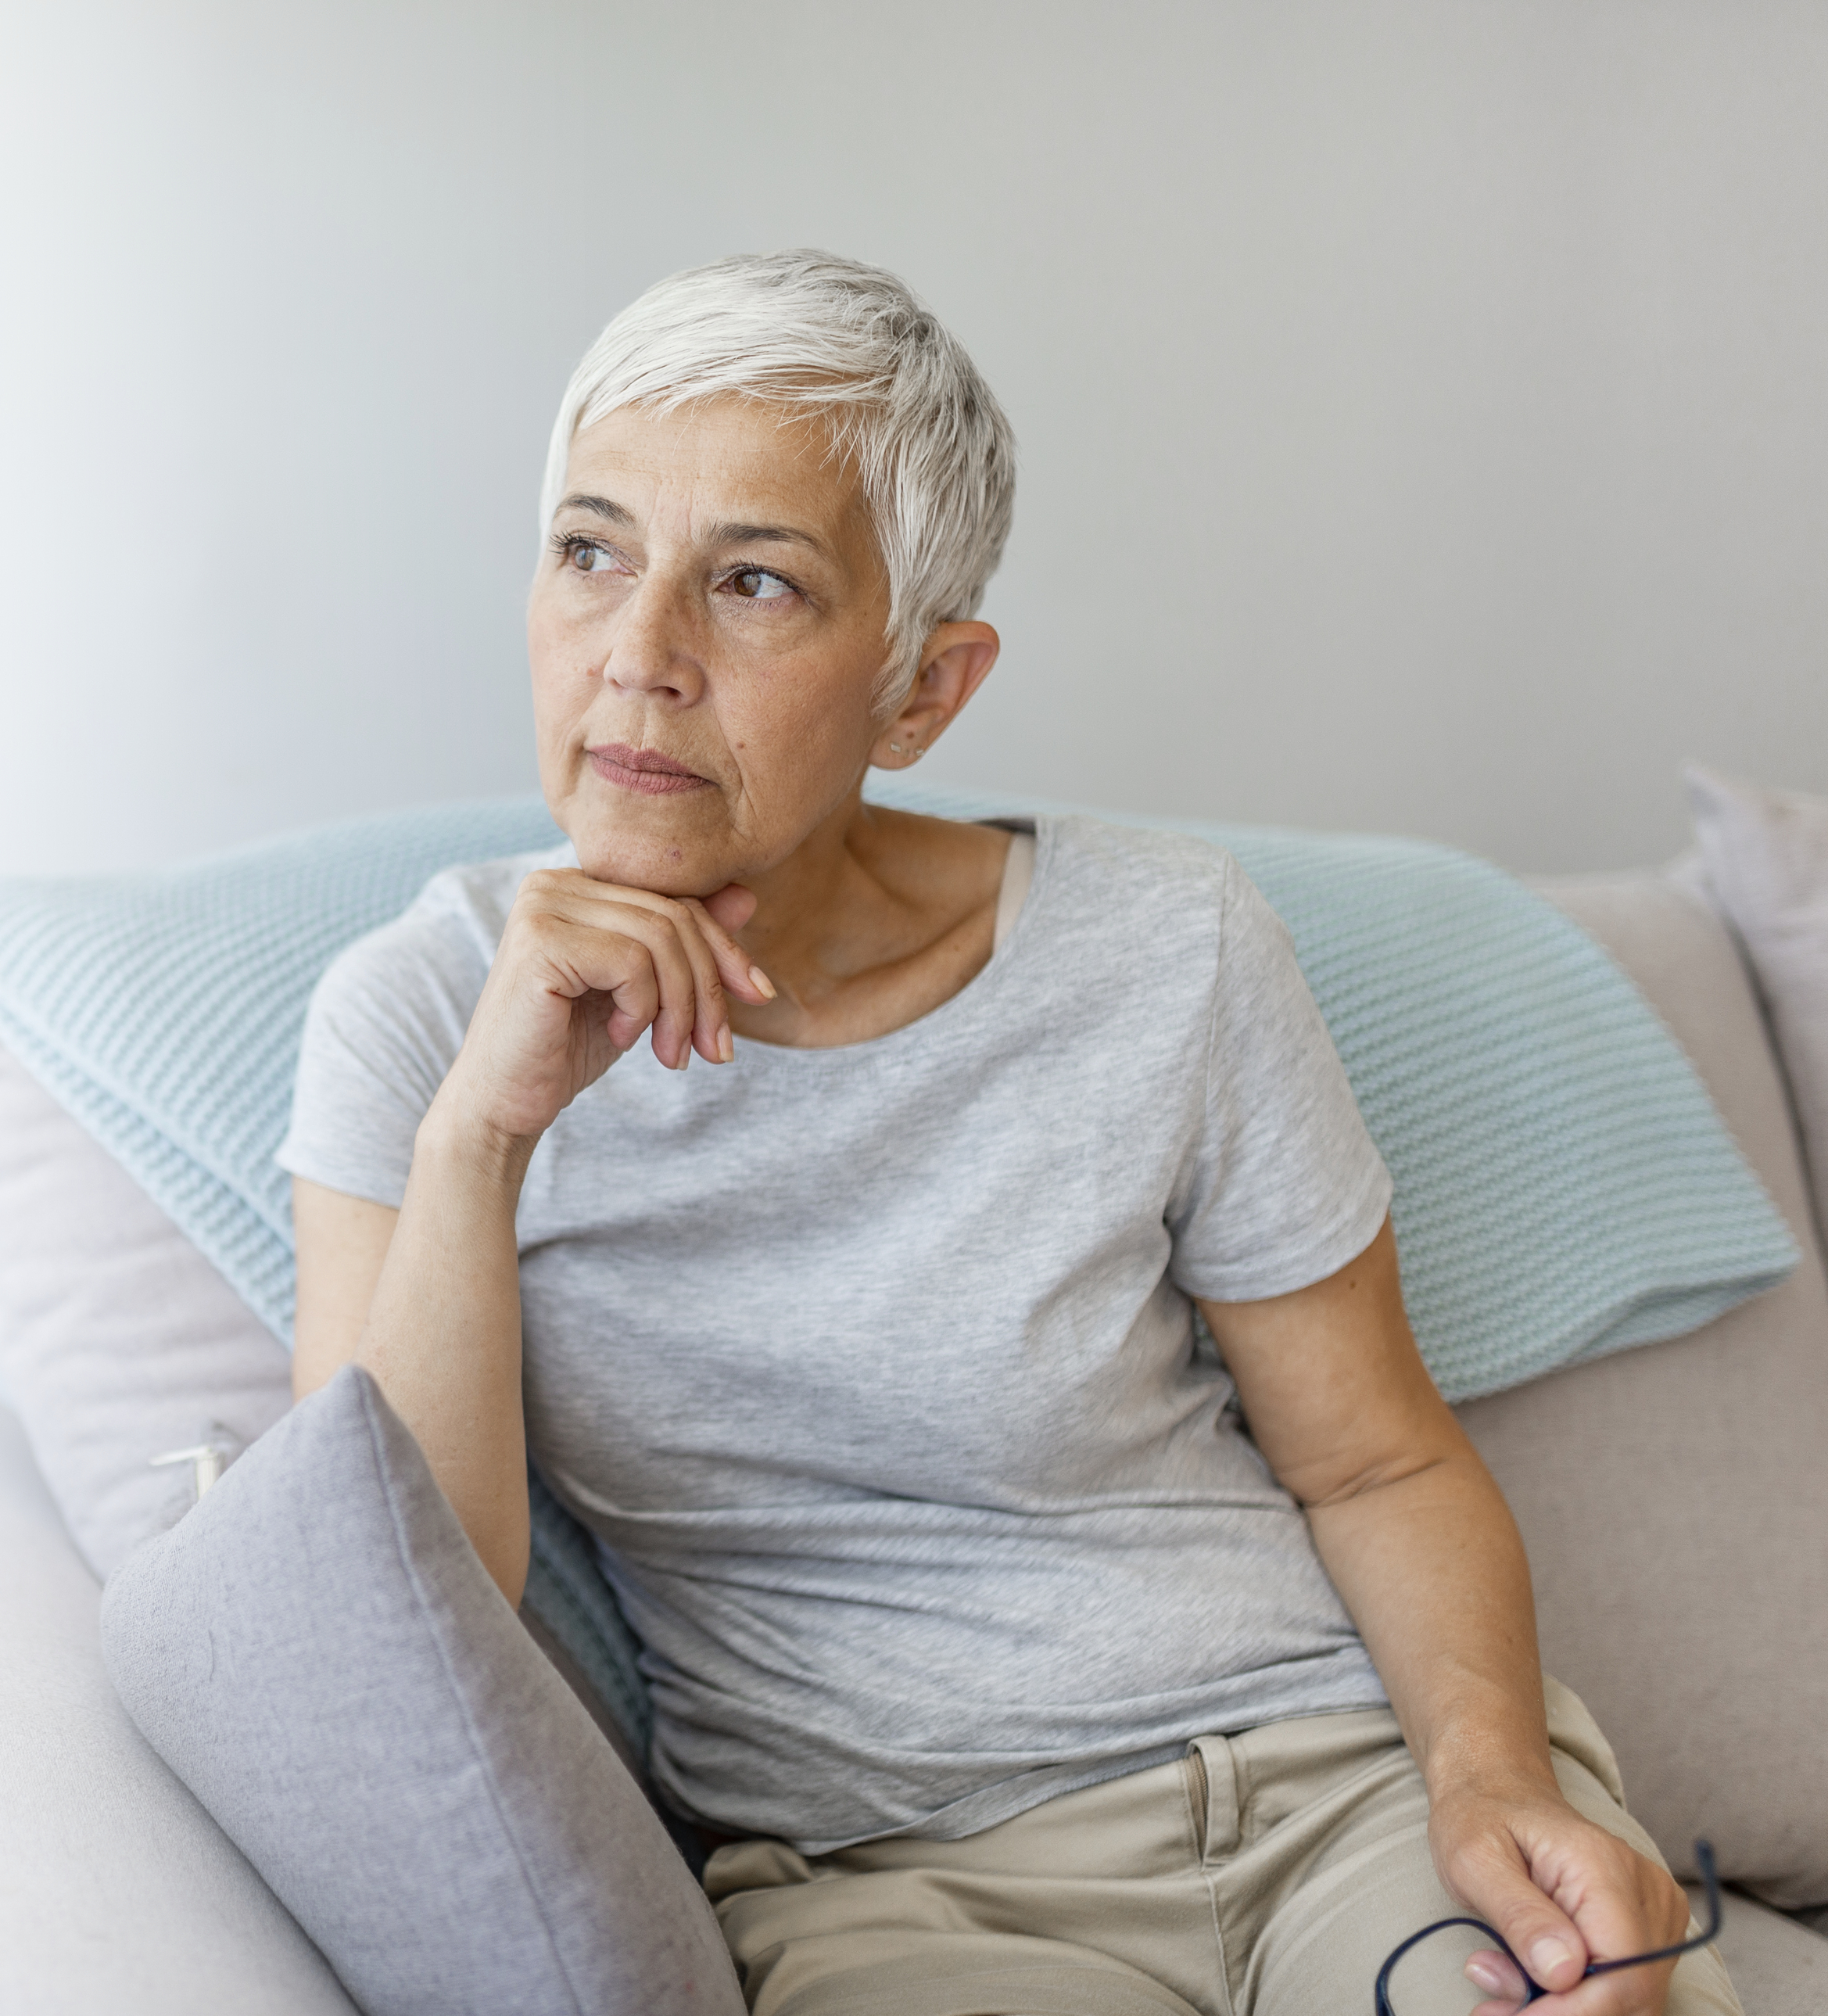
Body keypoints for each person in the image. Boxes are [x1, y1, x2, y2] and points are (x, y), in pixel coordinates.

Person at [274, 250, 1736, 2016]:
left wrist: (1490, 1774)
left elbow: (1374, 1460)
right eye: (589, 549)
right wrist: (479, 1139)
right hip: (894, 1892)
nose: (638, 656)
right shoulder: (418, 1020)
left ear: (920, 690)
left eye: (750, 581)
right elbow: (406, 1614)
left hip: (1334, 1792)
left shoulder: (1164, 944)